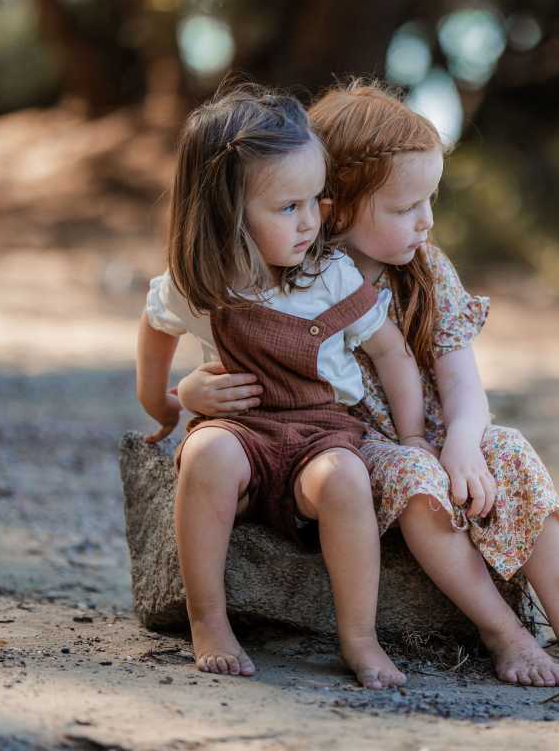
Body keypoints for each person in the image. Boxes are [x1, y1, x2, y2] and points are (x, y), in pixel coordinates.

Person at [179, 81, 559, 691]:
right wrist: (193, 392)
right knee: (416, 481)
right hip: (354, 445)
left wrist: (464, 443)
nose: (427, 221)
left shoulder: (427, 270)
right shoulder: (291, 271)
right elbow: (232, 362)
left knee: (513, 453)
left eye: (431, 200)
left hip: (438, 434)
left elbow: (464, 383)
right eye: (403, 207)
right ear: (335, 205)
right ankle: (505, 633)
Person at [136, 82, 426, 689]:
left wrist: (413, 437)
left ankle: (359, 639)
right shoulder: (200, 283)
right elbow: (155, 325)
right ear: (225, 210)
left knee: (346, 480)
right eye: (288, 206)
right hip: (239, 432)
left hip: (321, 435)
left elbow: (391, 352)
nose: (312, 220)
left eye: (315, 199)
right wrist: (163, 398)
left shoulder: (330, 274)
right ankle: (208, 619)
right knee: (208, 456)